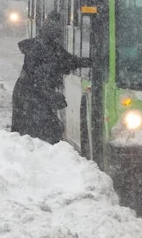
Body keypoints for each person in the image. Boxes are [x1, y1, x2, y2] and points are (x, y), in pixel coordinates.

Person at [11, 12, 88, 144]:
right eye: (58, 30)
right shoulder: (41, 49)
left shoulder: (51, 47)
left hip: (31, 97)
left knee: (46, 132)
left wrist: (90, 62)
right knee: (42, 134)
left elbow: (69, 61)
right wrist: (51, 96)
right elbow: (37, 79)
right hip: (28, 100)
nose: (60, 34)